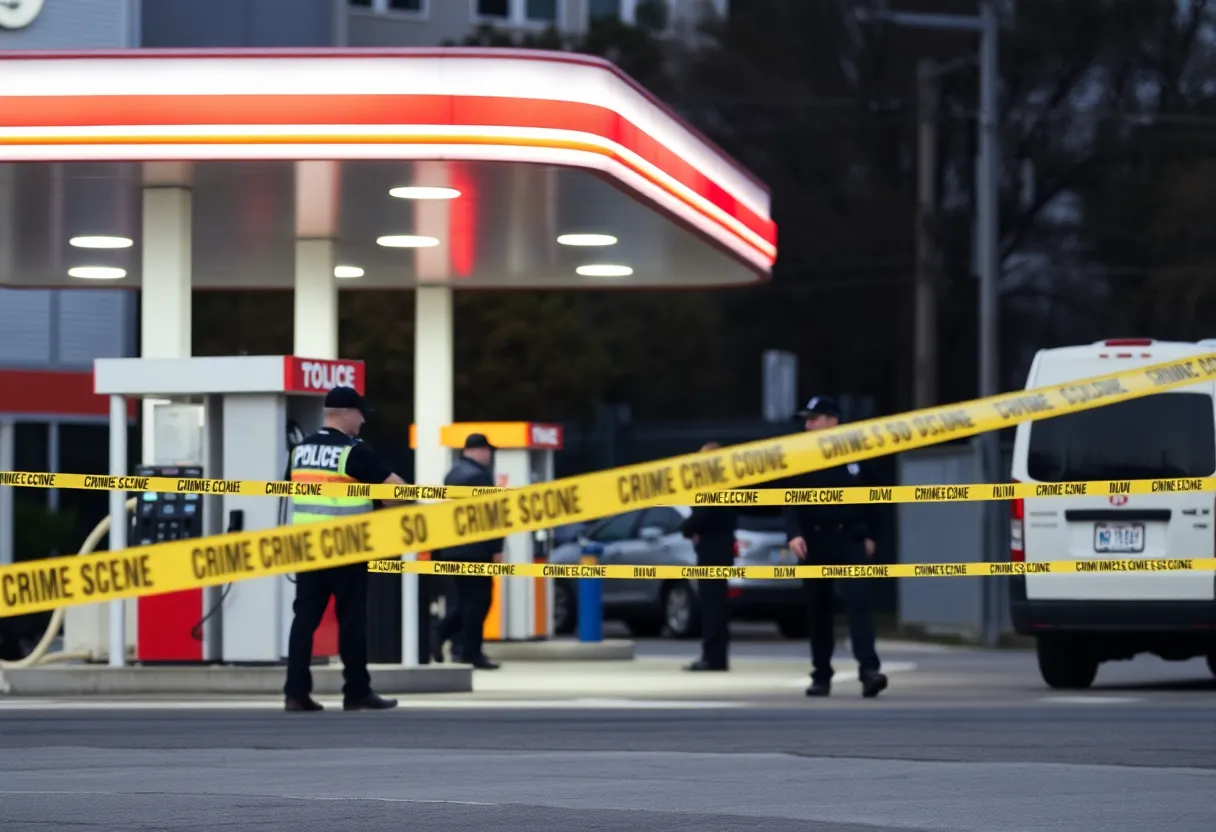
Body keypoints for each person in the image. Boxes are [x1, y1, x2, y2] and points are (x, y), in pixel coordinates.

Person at [283, 385, 406, 713]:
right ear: (347, 413)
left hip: (307, 546)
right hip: (346, 547)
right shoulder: (353, 451)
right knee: (351, 620)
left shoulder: (300, 451)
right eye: (360, 413)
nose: (363, 420)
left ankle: (295, 692)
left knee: (304, 619)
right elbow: (398, 491)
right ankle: (357, 692)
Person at [783, 395, 888, 699]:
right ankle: (821, 675)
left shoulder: (857, 450)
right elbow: (788, 499)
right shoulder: (801, 455)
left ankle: (869, 671)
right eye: (806, 420)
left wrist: (872, 536)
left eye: (813, 419)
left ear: (833, 419)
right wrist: (794, 533)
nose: (807, 425)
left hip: (850, 539)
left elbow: (877, 497)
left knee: (859, 604)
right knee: (819, 611)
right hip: (815, 540)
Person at [431, 433, 504, 670]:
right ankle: (468, 650)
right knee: (479, 601)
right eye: (487, 450)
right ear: (477, 450)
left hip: (454, 549)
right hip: (477, 549)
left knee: (466, 600)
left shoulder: (452, 474)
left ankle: (448, 638)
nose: (489, 455)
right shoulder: (480, 477)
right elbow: (490, 515)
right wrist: (496, 548)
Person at [680, 441, 736, 672]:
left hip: (712, 549)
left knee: (711, 605)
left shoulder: (712, 485)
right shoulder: (730, 484)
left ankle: (712, 658)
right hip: (723, 546)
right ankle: (718, 656)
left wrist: (685, 529)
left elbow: (701, 516)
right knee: (718, 605)